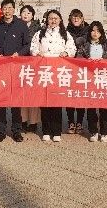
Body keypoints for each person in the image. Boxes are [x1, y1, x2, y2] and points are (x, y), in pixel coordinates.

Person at [0, 0, 30, 142]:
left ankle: (16, 130)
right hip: (0, 68)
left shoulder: (21, 25)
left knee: (15, 100)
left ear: (14, 9)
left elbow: (27, 44)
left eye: (10, 8)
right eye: (4, 8)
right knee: (0, 100)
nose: (7, 11)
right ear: (1, 10)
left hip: (16, 67)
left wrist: (19, 54)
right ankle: (1, 131)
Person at [30, 9, 76, 142]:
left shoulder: (65, 34)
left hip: (58, 72)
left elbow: (72, 48)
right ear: (47, 20)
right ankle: (46, 130)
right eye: (50, 18)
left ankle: (56, 131)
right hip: (44, 71)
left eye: (56, 18)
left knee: (56, 102)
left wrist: (66, 53)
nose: (53, 21)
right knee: (44, 102)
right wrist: (36, 53)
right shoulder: (40, 33)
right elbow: (33, 47)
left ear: (60, 20)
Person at [75, 21, 107, 142]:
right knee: (91, 107)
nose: (95, 33)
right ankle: (93, 131)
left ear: (101, 32)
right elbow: (78, 59)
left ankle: (104, 132)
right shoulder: (84, 45)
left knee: (104, 107)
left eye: (98, 31)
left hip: (104, 78)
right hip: (90, 79)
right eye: (93, 31)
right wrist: (87, 61)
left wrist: (104, 61)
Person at [66, 9, 89, 134]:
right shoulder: (65, 31)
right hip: (69, 66)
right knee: (69, 94)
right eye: (73, 17)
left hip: (83, 67)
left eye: (78, 17)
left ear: (82, 18)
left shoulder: (88, 31)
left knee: (81, 95)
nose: (76, 19)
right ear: (70, 18)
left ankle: (79, 121)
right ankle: (71, 121)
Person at [20, 5, 42, 133]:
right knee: (22, 93)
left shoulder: (39, 29)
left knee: (34, 93)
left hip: (35, 64)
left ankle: (33, 122)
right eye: (23, 12)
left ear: (32, 15)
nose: (26, 14)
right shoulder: (16, 26)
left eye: (29, 13)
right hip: (20, 63)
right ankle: (22, 120)